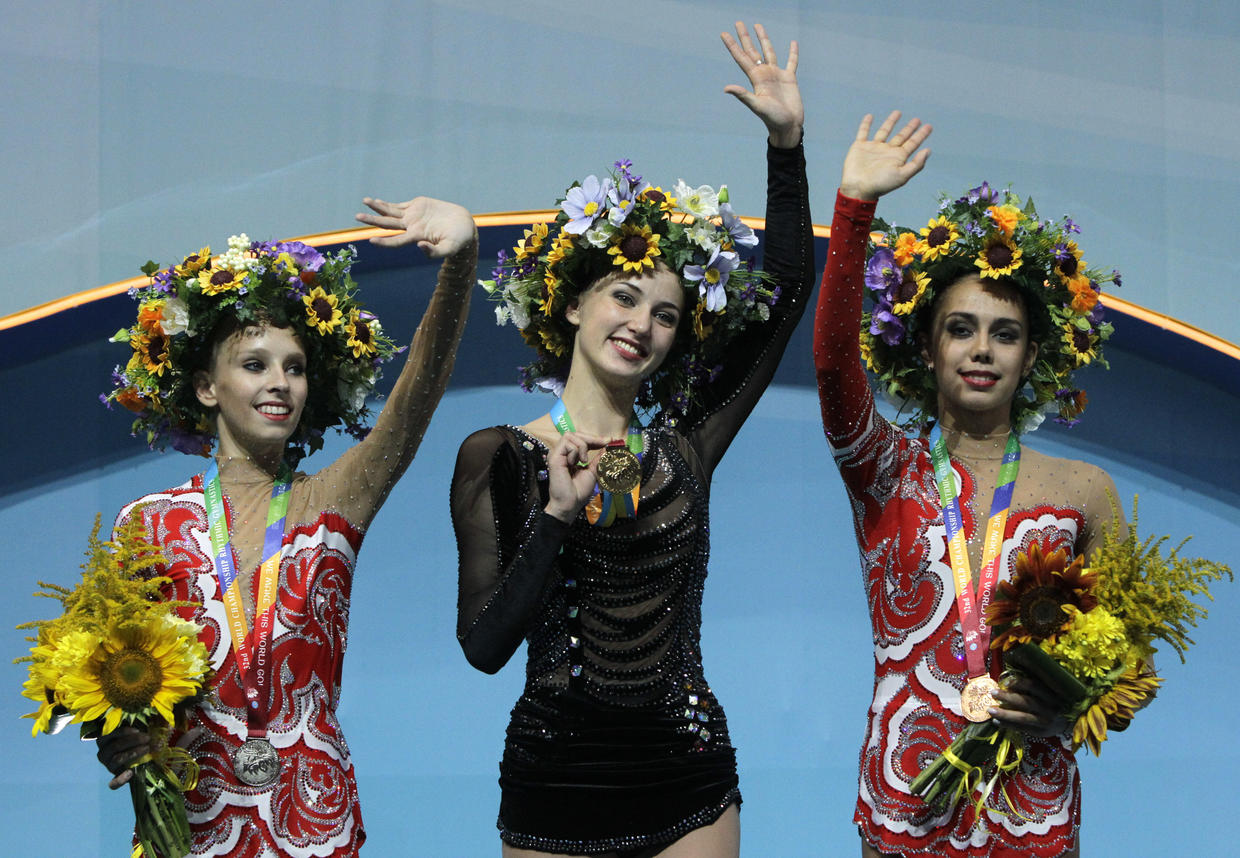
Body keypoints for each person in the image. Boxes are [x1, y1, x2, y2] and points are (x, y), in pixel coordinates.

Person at [451, 22, 811, 858]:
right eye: (622, 297)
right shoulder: (497, 455)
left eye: (665, 315)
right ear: (573, 305)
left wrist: (787, 146)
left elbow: (785, 297)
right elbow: (483, 648)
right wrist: (558, 519)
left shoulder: (687, 448)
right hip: (556, 773)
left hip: (688, 770)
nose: (640, 325)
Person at [95, 195, 477, 856]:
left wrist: (460, 263)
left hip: (315, 827)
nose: (280, 383)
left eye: (295, 368)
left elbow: (417, 396)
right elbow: (110, 687)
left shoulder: (336, 500)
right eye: (255, 365)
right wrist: (117, 739)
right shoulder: (145, 526)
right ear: (206, 387)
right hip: (190, 830)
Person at [813, 111, 1127, 858]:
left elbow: (1126, 671)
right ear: (926, 347)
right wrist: (854, 207)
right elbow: (831, 365)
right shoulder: (885, 469)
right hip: (904, 798)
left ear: (1030, 360)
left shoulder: (1084, 489)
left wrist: (1067, 705)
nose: (982, 349)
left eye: (1006, 334)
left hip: (1035, 805)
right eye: (961, 328)